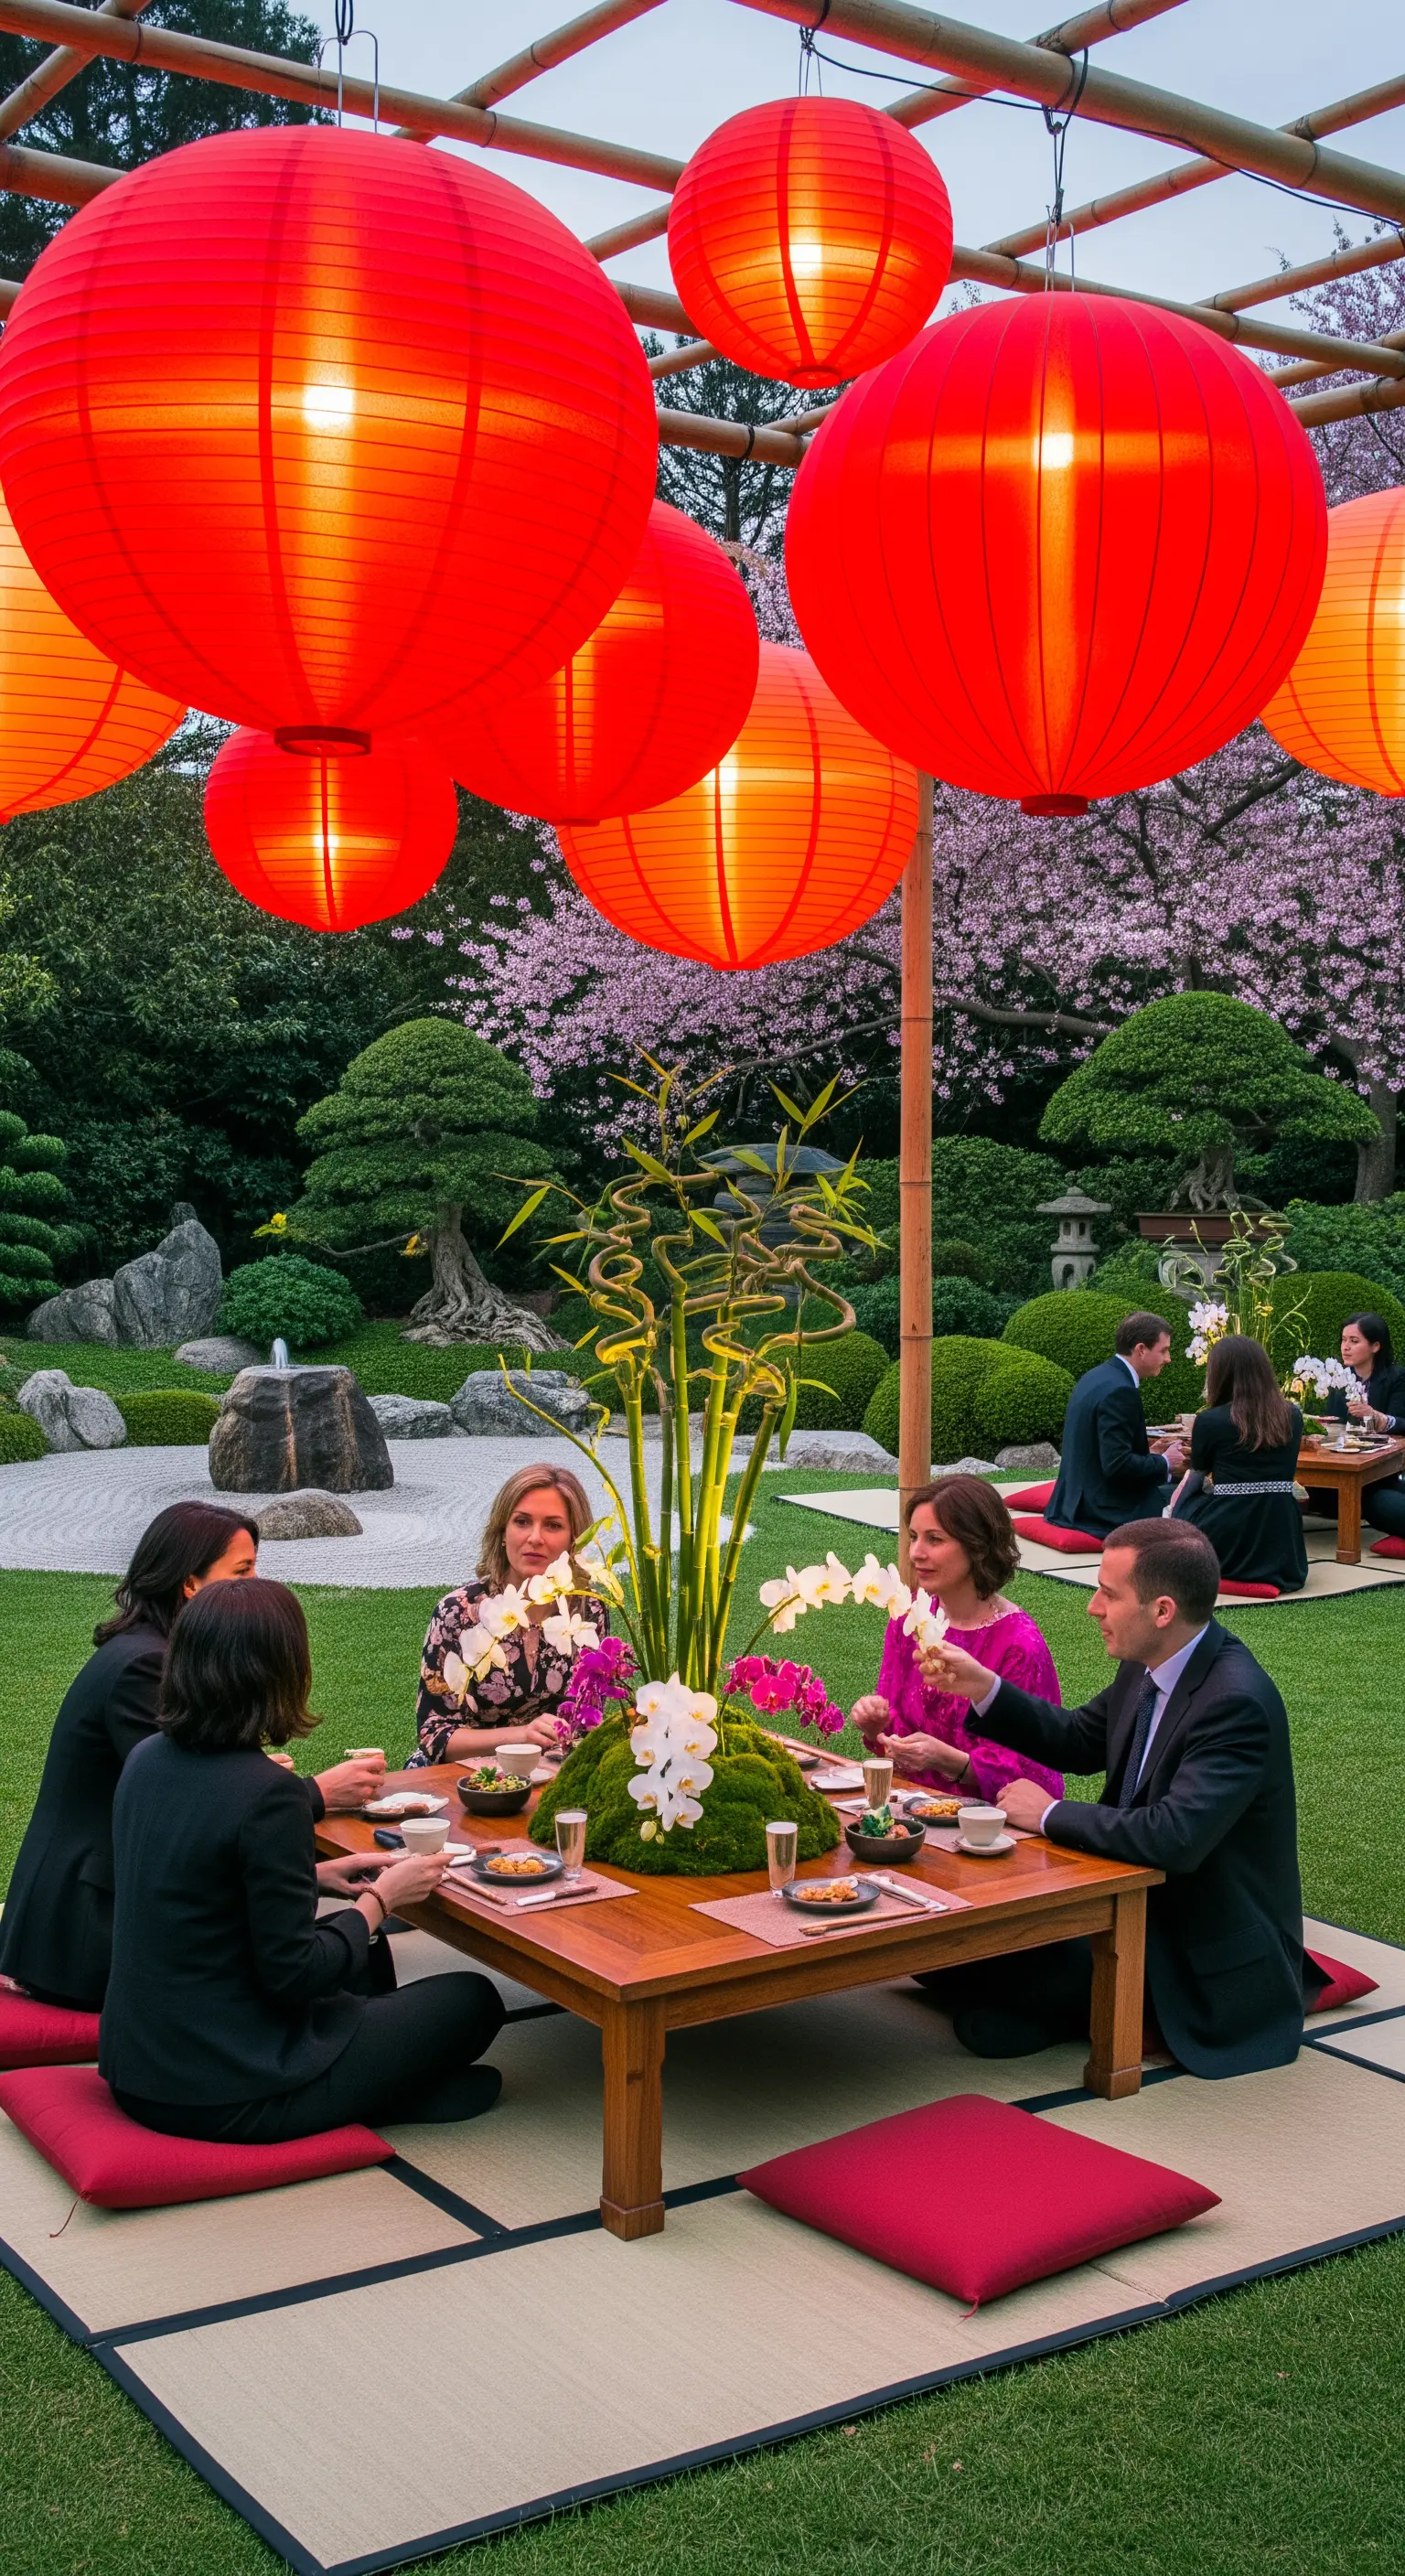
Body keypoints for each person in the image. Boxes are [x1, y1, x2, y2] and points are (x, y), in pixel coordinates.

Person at [915, 1519, 1326, 2077]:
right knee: (955, 1943)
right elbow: (1080, 1740)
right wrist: (984, 1687)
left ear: (1161, 1610)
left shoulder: (1236, 1703)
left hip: (1190, 1940)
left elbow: (1174, 1838)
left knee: (992, 1989)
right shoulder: (1151, 1662)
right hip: (1124, 1897)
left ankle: (1084, 2009)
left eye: (1108, 1594)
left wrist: (1050, 1815)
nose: (1092, 1607)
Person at [102, 1580, 504, 2141]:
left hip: (139, 2067)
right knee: (472, 2000)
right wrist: (381, 1898)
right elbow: (293, 1974)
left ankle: (381, 2082)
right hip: (228, 2088)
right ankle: (373, 2090)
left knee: (368, 1959)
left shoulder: (146, 1759)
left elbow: (190, 1887)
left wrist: (317, 1877)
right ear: (278, 1671)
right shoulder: (267, 1794)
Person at [0, 1502, 387, 2012]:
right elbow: (189, 1803)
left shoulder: (149, 1647)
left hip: (98, 1904)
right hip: (88, 1930)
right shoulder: (148, 1664)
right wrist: (315, 1794)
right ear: (189, 1584)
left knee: (339, 1947)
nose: (256, 1583)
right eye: (243, 1571)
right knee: (330, 1957)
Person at [850, 1477, 1063, 1806]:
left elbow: (1036, 1777)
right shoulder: (908, 1618)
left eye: (934, 1539)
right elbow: (895, 1735)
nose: (916, 1553)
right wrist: (876, 1725)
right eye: (914, 1537)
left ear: (977, 1546)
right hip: (907, 1809)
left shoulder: (1020, 1645)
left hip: (986, 1830)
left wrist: (949, 1760)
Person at [410, 1464, 608, 1765]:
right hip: (460, 1778)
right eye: (522, 1521)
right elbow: (434, 1736)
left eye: (553, 1525)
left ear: (574, 1540)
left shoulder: (588, 1611)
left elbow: (585, 1721)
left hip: (549, 1772)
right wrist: (521, 1737)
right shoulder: (459, 1612)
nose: (535, 1537)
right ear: (502, 1532)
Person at [1170, 1334, 1307, 1594]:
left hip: (1228, 1526)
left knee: (1177, 1500)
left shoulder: (1210, 1420)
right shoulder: (1292, 1415)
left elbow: (1196, 1479)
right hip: (1281, 1529)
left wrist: (1173, 1514)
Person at [1046, 1312, 1185, 1540]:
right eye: (1164, 1350)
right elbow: (1117, 1465)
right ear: (1141, 1349)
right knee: (1195, 1498)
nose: (1168, 1358)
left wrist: (1151, 1454)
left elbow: (1102, 1451)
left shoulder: (1095, 1376)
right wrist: (1166, 1462)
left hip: (1071, 1503)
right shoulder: (1122, 1391)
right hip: (1102, 1511)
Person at [1325, 1312, 1405, 1543]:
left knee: (1379, 1499)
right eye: (1343, 1340)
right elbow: (1333, 1423)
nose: (1345, 1347)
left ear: (1375, 1346)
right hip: (1344, 1466)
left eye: (1354, 1341)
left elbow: (1402, 1422)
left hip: (1385, 1469)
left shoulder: (1396, 1378)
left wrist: (1378, 1418)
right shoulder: (1337, 1379)